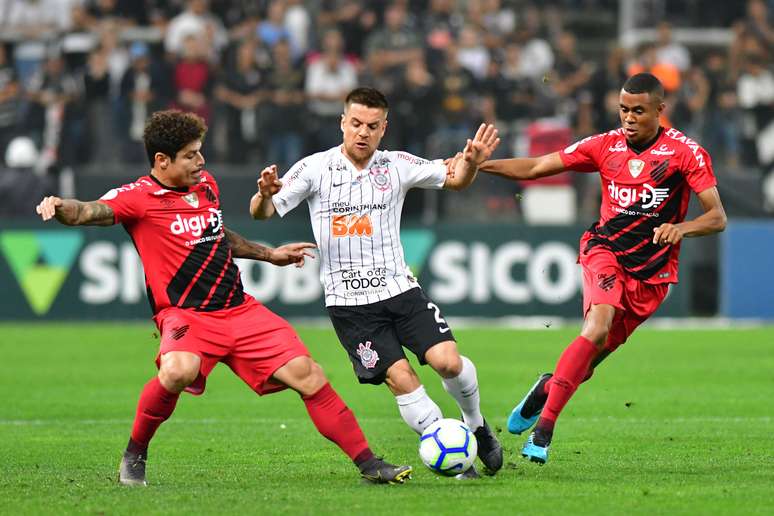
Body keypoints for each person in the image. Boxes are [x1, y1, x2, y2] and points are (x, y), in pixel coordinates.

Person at [34, 110, 412, 486]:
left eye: (200, 152)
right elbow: (88, 211)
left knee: (308, 375)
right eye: (190, 155)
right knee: (177, 370)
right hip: (186, 316)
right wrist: (58, 205)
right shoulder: (138, 198)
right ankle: (135, 454)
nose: (201, 162)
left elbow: (219, 235)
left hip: (238, 309)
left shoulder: (206, 185)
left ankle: (369, 463)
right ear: (161, 161)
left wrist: (269, 254)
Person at [249, 87, 504, 477]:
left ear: (384, 128)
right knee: (401, 378)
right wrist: (264, 195)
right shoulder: (314, 168)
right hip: (350, 306)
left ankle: (476, 426)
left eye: (371, 126)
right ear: (342, 123)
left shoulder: (397, 165)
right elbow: (262, 213)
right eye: (355, 124)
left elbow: (455, 179)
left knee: (448, 363)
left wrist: (470, 162)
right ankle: (455, 456)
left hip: (401, 290)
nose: (362, 133)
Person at [478, 73, 727, 464]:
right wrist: (481, 165)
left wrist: (681, 227)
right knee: (595, 327)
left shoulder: (685, 153)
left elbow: (716, 217)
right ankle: (543, 432)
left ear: (660, 111)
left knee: (587, 365)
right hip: (604, 250)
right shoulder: (604, 145)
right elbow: (537, 166)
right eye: (624, 109)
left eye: (638, 111)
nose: (628, 118)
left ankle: (546, 388)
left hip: (652, 275)